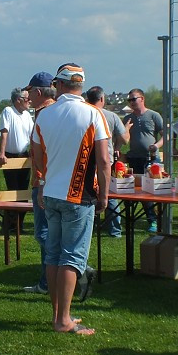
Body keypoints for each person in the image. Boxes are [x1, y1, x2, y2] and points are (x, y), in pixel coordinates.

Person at [30, 63, 110, 336]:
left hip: (51, 192)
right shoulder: (93, 114)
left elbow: (37, 157)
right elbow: (103, 160)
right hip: (79, 195)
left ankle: (58, 315)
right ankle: (63, 319)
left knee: (53, 254)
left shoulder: (44, 115)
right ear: (81, 85)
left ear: (59, 84)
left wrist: (42, 182)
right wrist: (104, 195)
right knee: (72, 257)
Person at [86, 85, 128, 238]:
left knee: (89, 193)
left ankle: (90, 226)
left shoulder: (84, 114)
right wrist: (127, 130)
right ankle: (115, 229)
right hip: (106, 159)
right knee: (108, 193)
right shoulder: (111, 116)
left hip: (86, 160)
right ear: (102, 99)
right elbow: (124, 138)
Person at [122, 88, 164, 232]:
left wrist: (156, 145)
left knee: (152, 191)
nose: (132, 102)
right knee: (137, 191)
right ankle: (139, 218)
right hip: (134, 158)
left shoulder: (154, 116)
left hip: (151, 159)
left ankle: (155, 220)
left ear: (142, 99)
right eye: (130, 100)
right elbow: (122, 138)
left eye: (134, 99)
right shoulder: (127, 119)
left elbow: (166, 135)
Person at [0, 87, 34, 233]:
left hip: (24, 157)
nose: (29, 102)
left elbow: (32, 135)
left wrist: (33, 150)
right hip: (10, 157)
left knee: (23, 193)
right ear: (19, 100)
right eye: (27, 99)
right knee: (13, 192)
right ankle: (10, 225)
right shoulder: (8, 111)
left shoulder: (27, 115)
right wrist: (1, 154)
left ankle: (20, 224)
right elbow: (4, 133)